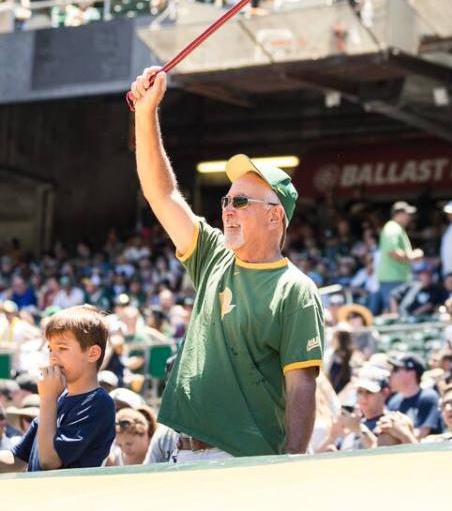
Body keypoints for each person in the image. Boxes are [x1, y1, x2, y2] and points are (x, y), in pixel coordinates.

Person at [129, 66, 324, 459]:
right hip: (182, 455)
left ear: (275, 216)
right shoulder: (214, 254)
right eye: (226, 201)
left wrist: (293, 463)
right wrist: (145, 114)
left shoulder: (295, 289)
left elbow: (301, 386)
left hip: (241, 461)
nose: (228, 210)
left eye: (240, 202)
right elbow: (162, 193)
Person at [0, 305, 115, 472]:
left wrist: (47, 399)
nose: (53, 356)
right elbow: (18, 458)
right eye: (50, 349)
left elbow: (49, 461)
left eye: (62, 348)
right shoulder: (59, 398)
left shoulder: (98, 403)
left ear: (92, 353)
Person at [377, 201, 423, 312]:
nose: (409, 217)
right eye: (407, 214)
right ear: (399, 214)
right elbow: (392, 252)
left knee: (396, 311)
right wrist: (413, 256)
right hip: (392, 279)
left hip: (397, 278)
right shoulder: (392, 228)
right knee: (394, 313)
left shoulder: (396, 228)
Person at [387, 353, 441, 439]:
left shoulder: (428, 397)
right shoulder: (394, 402)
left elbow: (422, 434)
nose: (390, 374)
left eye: (396, 369)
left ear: (411, 373)